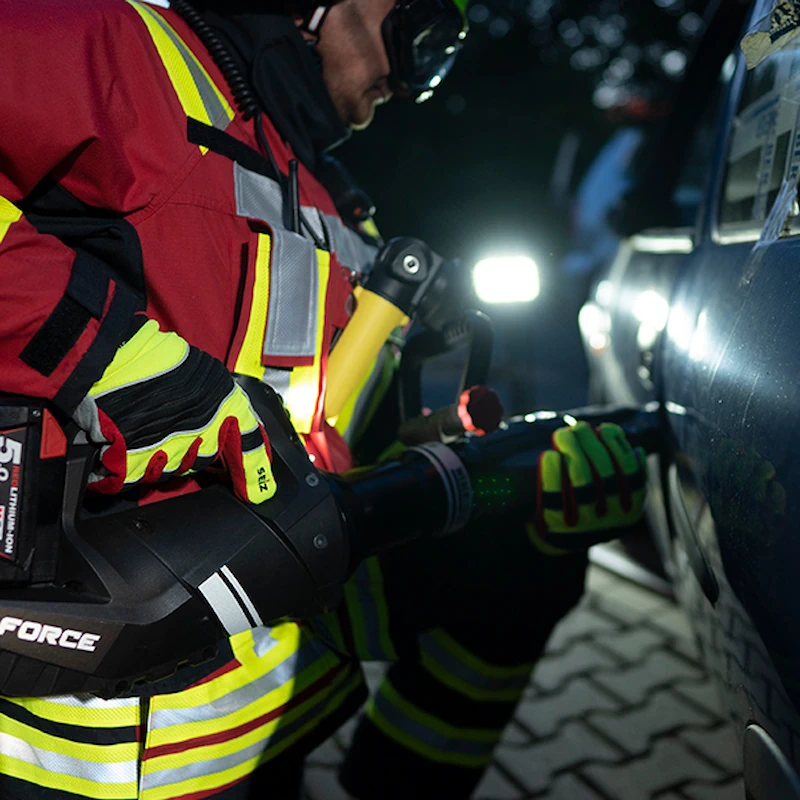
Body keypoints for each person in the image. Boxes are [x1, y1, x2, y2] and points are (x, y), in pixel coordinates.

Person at [0, 0, 648, 797]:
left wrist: (478, 483)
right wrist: (104, 357)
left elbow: (324, 444)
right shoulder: (120, 52)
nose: (412, 82)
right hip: (62, 739)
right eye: (423, 35)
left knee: (520, 558)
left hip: (265, 724)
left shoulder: (335, 205)